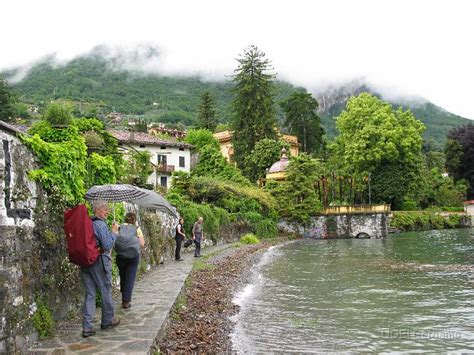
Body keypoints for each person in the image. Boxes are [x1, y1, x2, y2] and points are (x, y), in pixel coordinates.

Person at [81, 200, 120, 338]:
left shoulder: (88, 222)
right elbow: (108, 245)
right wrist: (114, 232)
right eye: (105, 209)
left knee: (90, 294)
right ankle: (108, 320)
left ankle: (87, 327)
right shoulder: (100, 224)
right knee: (105, 290)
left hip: (86, 261)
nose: (107, 211)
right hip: (99, 261)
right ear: (97, 210)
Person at [115, 212, 145, 309]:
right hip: (133, 256)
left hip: (120, 255)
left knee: (123, 275)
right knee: (130, 278)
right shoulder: (137, 228)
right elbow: (142, 243)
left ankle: (124, 292)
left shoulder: (119, 227)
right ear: (134, 219)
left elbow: (114, 239)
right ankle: (126, 301)